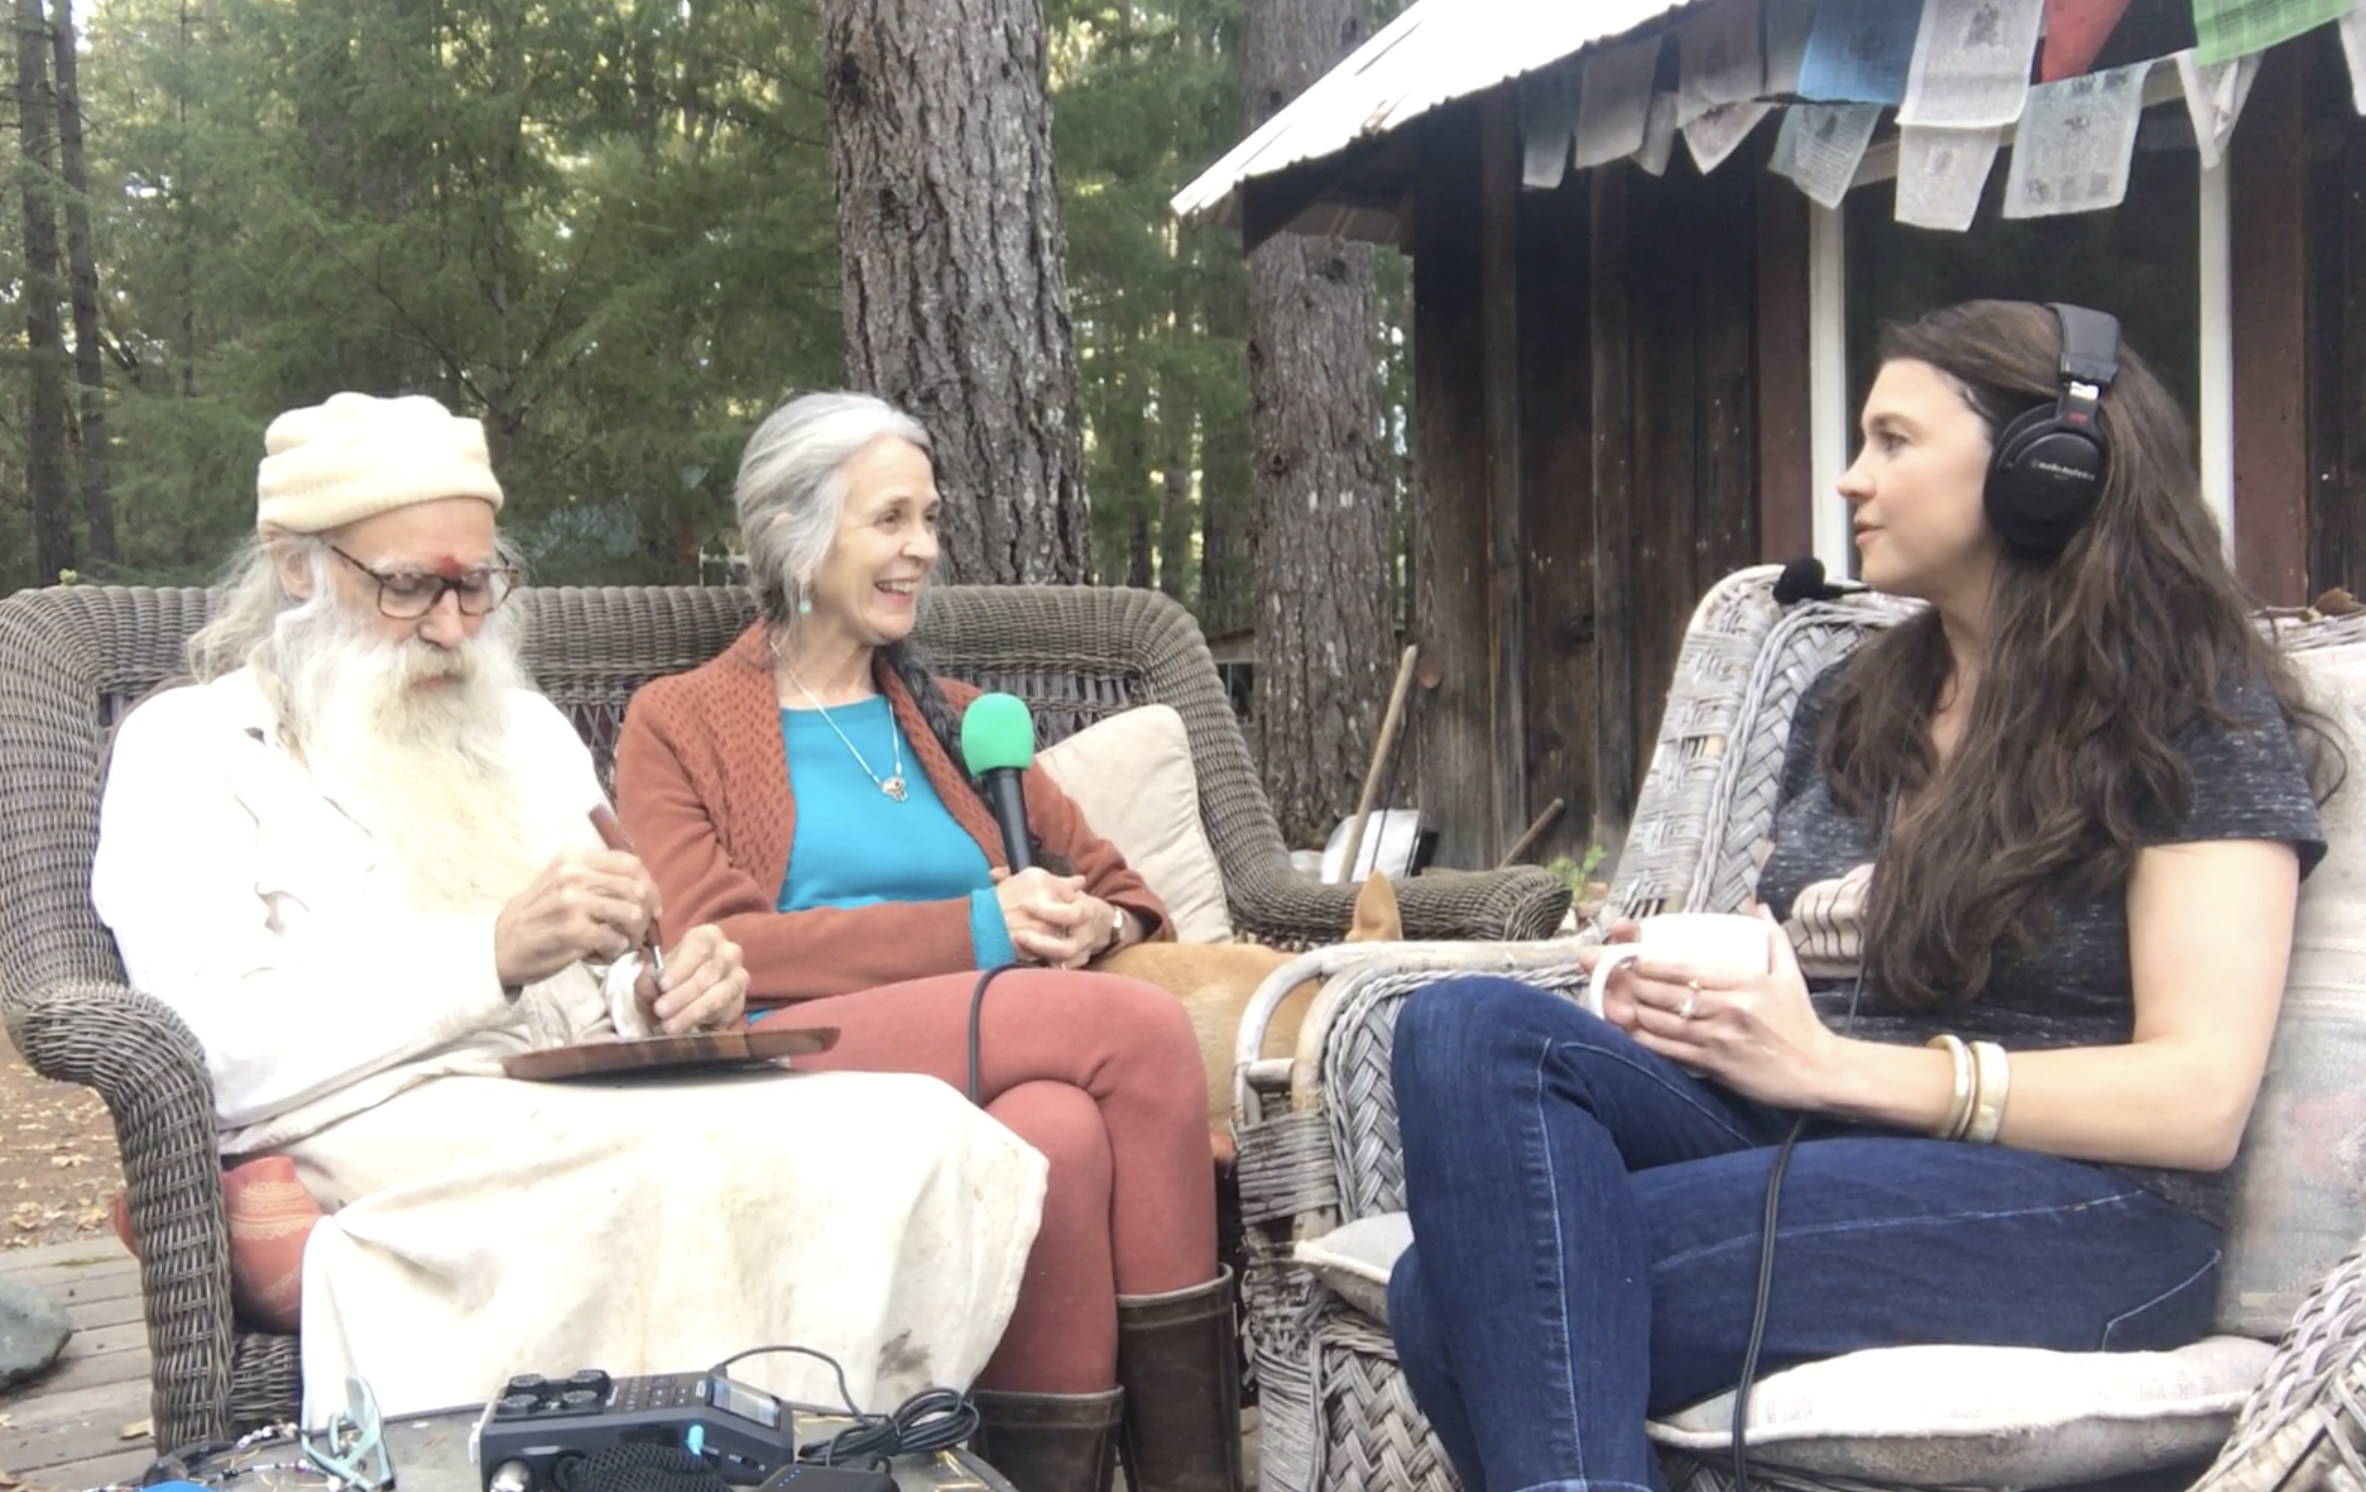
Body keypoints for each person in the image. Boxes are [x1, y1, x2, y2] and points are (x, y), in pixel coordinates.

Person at [1384, 300, 2335, 1492]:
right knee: (1464, 1029)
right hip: (1828, 1136)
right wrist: (1698, 982)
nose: (1847, 479)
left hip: (2088, 1211)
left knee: (1450, 1294)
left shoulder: (2190, 712)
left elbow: (2192, 1098)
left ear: (2049, 468)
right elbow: (1804, 965)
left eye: (1891, 440)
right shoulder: (1853, 698)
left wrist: (1829, 1070)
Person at [90, 392, 1049, 1424]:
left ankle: (825, 1451)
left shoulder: (527, 733)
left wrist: (666, 988)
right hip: (360, 1112)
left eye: (478, 583)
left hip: (572, 1095)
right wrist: (489, 954)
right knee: (690, 1175)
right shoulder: (191, 747)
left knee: (912, 1126)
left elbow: (606, 979)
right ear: (298, 566)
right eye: (411, 587)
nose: (454, 627)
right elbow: (208, 1044)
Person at [612, 391, 1238, 1492]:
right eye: (889, 520)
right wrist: (978, 926)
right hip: (789, 1051)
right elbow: (718, 937)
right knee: (1136, 1030)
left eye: (928, 519)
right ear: (799, 537)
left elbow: (1132, 896)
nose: (922, 550)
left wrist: (1099, 921)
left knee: (1059, 1131)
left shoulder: (958, 720)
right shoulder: (680, 719)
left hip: (988, 1049)